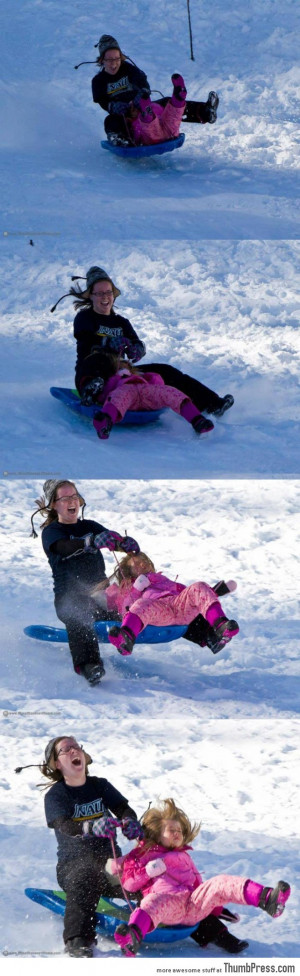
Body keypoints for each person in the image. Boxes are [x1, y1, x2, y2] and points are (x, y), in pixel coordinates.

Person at [107, 798, 291, 957]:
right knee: (152, 902)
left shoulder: (184, 856)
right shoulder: (145, 854)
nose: (177, 833)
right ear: (157, 833)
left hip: (193, 905)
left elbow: (200, 887)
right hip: (168, 904)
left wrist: (218, 909)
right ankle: (133, 936)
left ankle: (267, 899)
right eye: (171, 830)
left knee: (220, 882)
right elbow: (128, 884)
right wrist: (148, 871)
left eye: (179, 830)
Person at [69, 265, 234, 420]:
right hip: (90, 373)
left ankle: (212, 404)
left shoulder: (122, 322)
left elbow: (137, 343)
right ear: (91, 296)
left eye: (108, 292)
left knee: (166, 371)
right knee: (100, 359)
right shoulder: (84, 317)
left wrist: (136, 349)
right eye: (99, 293)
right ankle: (91, 390)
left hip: (120, 376)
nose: (105, 297)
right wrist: (107, 343)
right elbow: (86, 340)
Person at [41, 735, 142, 957]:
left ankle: (202, 927)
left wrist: (129, 821)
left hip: (111, 865)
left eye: (76, 746)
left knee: (150, 878)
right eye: (66, 749)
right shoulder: (56, 795)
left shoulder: (100, 785)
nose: (73, 750)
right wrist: (90, 827)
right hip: (73, 867)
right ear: (57, 764)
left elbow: (123, 808)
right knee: (86, 876)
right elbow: (63, 825)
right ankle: (77, 939)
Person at [30, 479, 140, 685]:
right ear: (54, 505)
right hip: (69, 599)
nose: (72, 501)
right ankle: (89, 665)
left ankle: (200, 631)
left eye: (74, 496)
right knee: (78, 611)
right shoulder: (52, 532)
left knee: (138, 604)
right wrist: (89, 542)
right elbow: (64, 547)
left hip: (102, 599)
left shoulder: (90, 526)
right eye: (65, 498)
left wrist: (124, 544)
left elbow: (111, 539)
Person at [92, 552, 239, 656]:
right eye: (137, 564)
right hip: (159, 610)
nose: (142, 563)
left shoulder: (162, 579)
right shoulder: (128, 586)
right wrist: (136, 589)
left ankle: (221, 626)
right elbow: (126, 609)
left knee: (198, 586)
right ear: (129, 571)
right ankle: (126, 638)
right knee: (142, 604)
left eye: (144, 560)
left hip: (179, 606)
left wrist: (211, 591)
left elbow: (190, 593)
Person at [92, 35, 219, 147]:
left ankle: (205, 112)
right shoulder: (98, 81)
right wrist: (114, 106)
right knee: (111, 121)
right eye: (109, 59)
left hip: (142, 106)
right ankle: (121, 139)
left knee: (167, 103)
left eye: (117, 59)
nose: (114, 63)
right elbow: (102, 101)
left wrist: (142, 94)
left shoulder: (128, 69)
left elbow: (142, 80)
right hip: (122, 113)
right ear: (102, 60)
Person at [92, 358, 215, 439]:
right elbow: (107, 395)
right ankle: (105, 422)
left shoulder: (142, 376)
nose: (123, 367)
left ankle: (197, 420)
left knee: (171, 392)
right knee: (118, 397)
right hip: (127, 392)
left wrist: (146, 377)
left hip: (146, 392)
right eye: (118, 367)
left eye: (125, 365)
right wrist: (115, 379)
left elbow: (158, 382)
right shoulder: (113, 380)